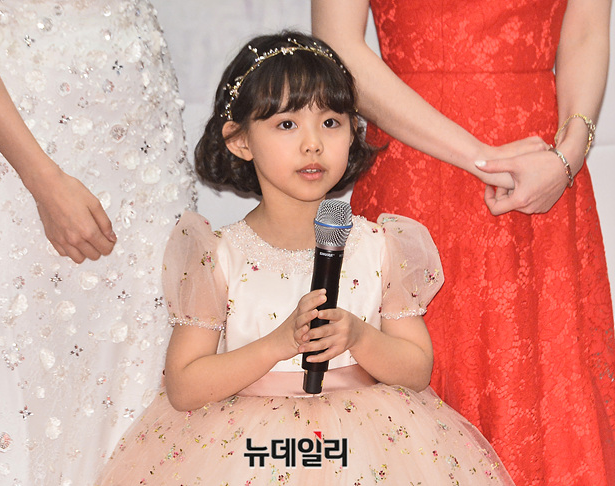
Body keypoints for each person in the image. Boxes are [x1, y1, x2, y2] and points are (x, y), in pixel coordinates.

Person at [96, 31, 514, 485]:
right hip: (249, 455)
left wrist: (358, 336)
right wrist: (278, 344)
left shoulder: (380, 244)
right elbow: (184, 385)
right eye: (287, 125)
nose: (313, 143)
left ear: (353, 132)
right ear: (239, 140)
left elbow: (417, 369)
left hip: (366, 450)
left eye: (330, 122)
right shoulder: (216, 255)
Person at [311, 1, 615, 485]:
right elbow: (338, 46)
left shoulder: (553, 167)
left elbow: (586, 32)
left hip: (542, 174)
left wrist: (569, 155)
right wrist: (483, 158)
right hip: (417, 169)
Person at [0, 2, 196, 484]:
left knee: (144, 357)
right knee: (26, 368)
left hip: (145, 137)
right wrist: (42, 179)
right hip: (24, 133)